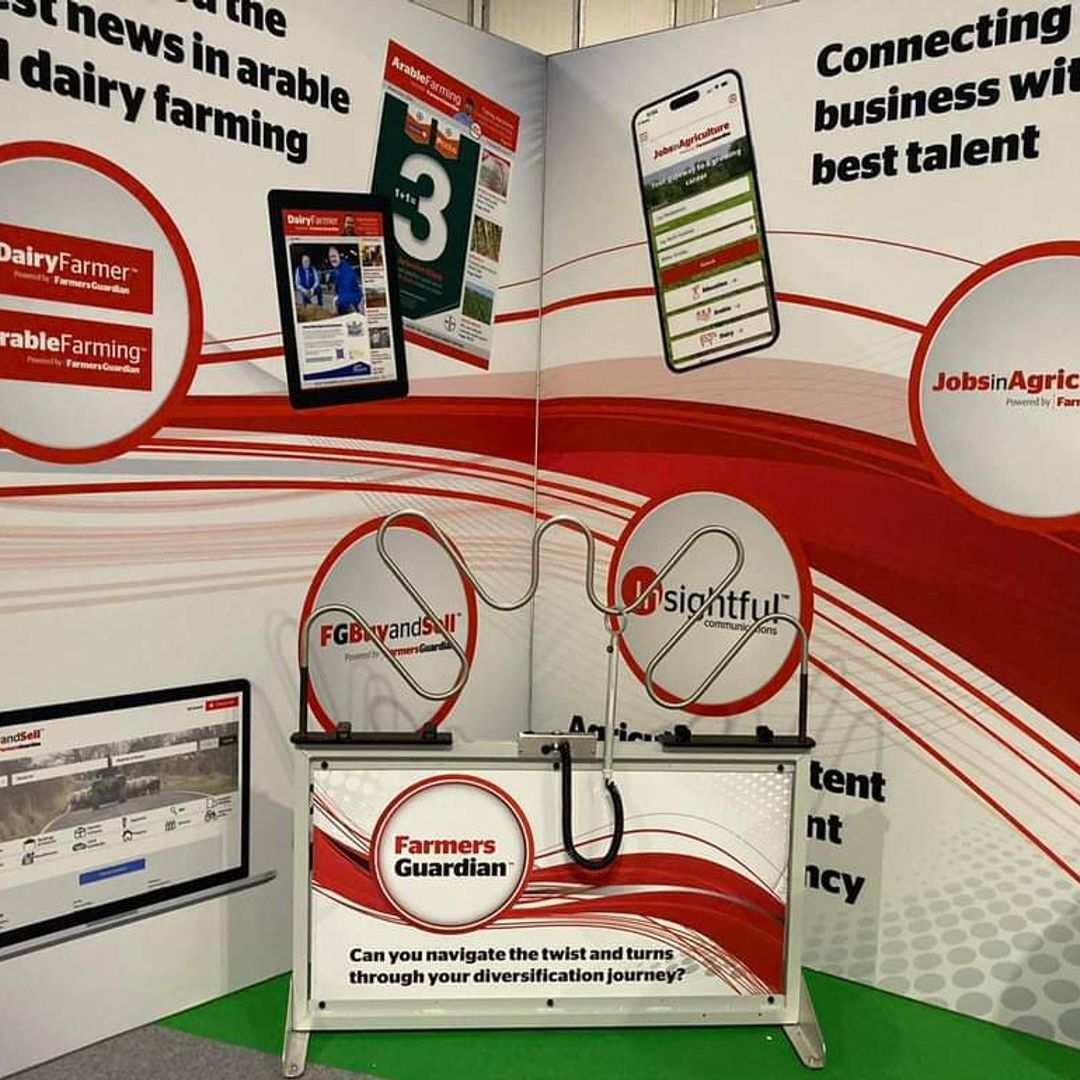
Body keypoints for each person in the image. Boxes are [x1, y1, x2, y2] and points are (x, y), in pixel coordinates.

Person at [328, 247, 363, 315]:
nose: (332, 259)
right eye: (330, 257)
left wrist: (336, 300)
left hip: (353, 303)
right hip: (345, 302)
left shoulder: (346, 270)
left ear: (339, 256)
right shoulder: (337, 269)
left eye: (334, 256)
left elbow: (347, 292)